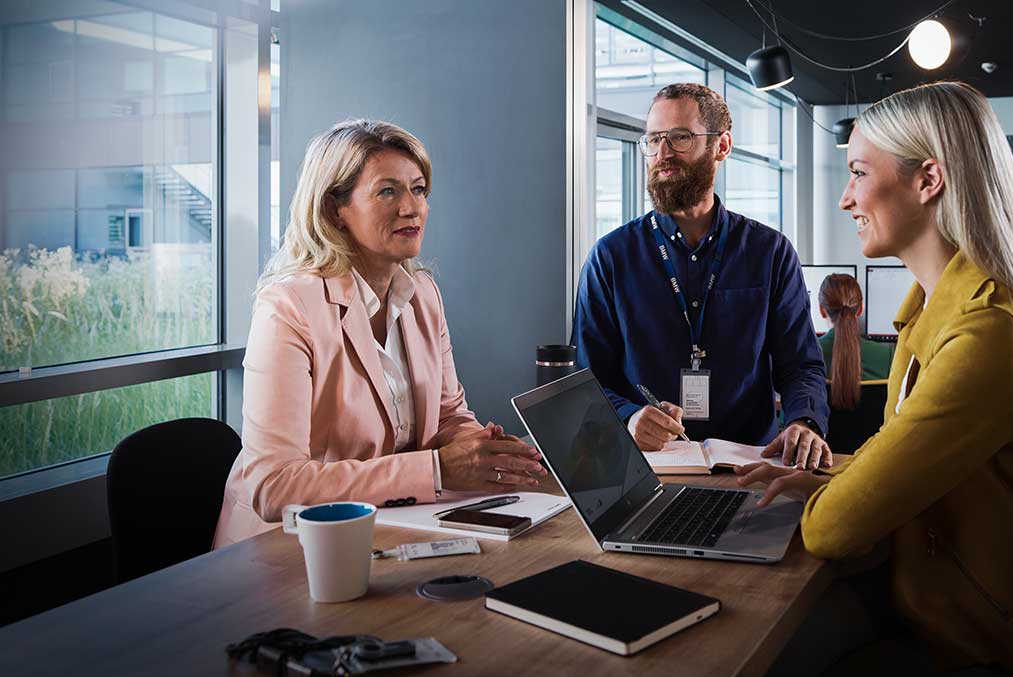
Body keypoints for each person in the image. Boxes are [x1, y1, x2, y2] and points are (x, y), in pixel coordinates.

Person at [738, 82, 1013, 677]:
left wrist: (830, 496)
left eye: (859, 173)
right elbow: (896, 451)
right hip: (950, 591)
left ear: (929, 181)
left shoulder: (989, 333)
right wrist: (836, 481)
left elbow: (831, 531)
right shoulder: (927, 312)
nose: (845, 199)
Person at [213, 119, 545, 548]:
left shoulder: (423, 293)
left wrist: (482, 451)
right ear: (335, 208)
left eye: (419, 189)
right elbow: (274, 485)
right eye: (388, 191)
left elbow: (448, 415)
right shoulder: (288, 306)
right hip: (283, 551)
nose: (412, 207)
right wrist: (439, 469)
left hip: (392, 530)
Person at [573, 83, 831, 470]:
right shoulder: (610, 258)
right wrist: (628, 417)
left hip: (751, 468)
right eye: (655, 139)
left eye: (680, 137)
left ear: (721, 146)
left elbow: (801, 366)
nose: (662, 153)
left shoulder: (770, 252)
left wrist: (804, 422)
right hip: (647, 471)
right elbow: (585, 378)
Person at [816, 273, 893, 410]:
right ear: (860, 310)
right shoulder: (886, 355)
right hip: (877, 432)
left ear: (822, 311)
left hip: (821, 432)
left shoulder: (808, 354)